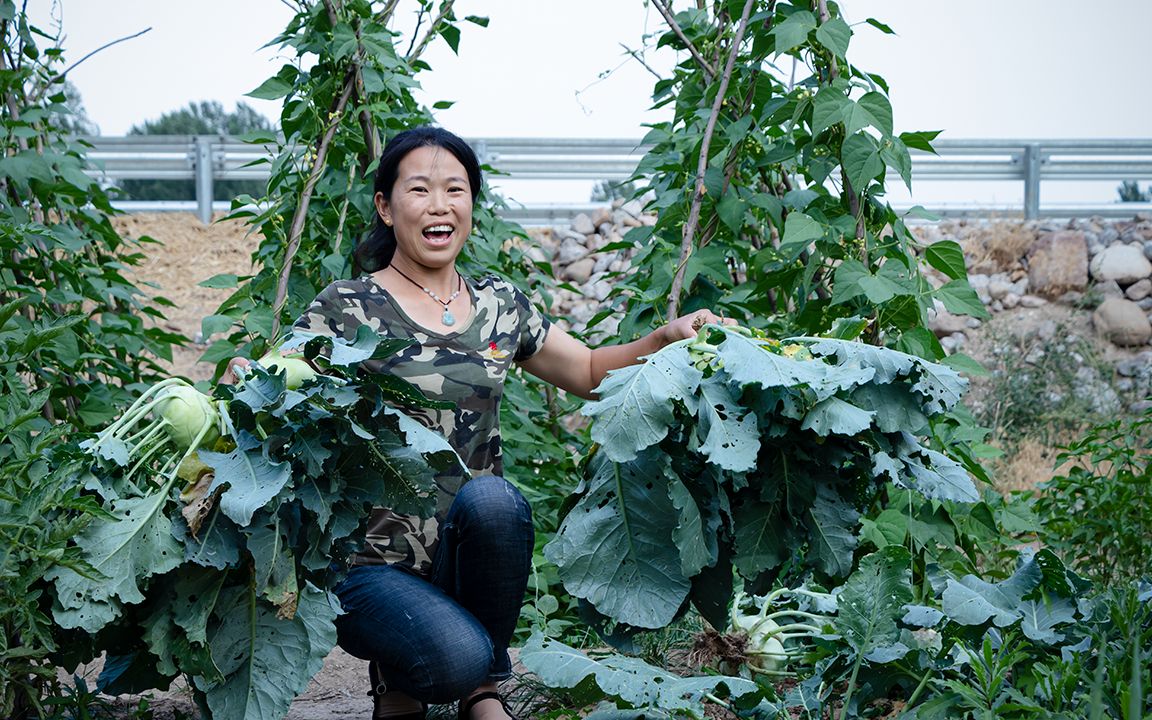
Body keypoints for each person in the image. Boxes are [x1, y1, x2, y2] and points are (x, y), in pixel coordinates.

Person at [232, 126, 729, 720]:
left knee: (495, 501)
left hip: (465, 551)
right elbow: (274, 380)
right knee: (451, 659)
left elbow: (592, 370)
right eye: (419, 190)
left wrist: (664, 338)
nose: (439, 205)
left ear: (471, 203)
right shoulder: (347, 308)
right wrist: (247, 378)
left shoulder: (499, 302)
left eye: (455, 189)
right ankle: (406, 680)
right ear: (386, 207)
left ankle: (482, 691)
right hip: (367, 566)